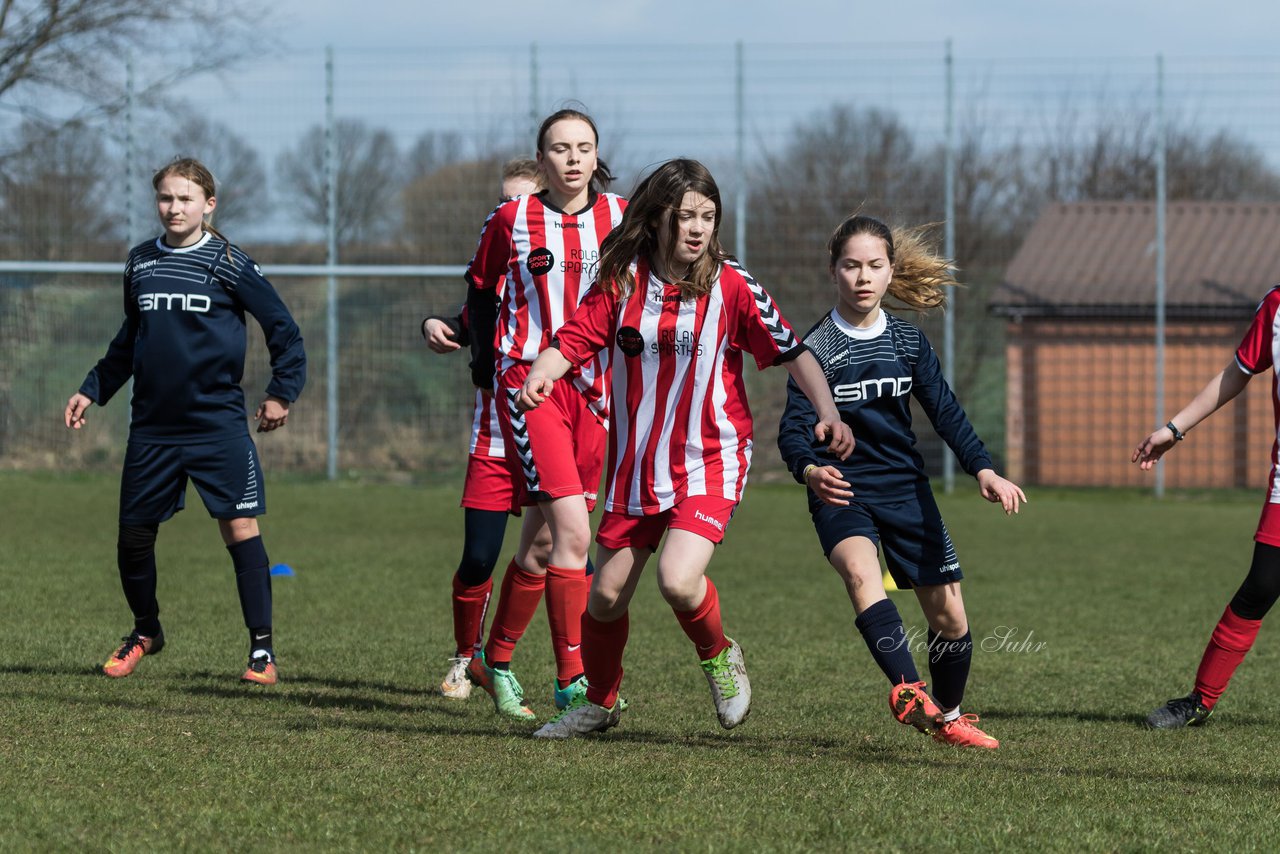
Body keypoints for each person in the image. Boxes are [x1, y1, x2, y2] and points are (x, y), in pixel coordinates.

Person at [519, 158, 854, 739]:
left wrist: (828, 412)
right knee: (602, 599)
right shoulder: (621, 283)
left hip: (711, 457)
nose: (698, 228)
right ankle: (599, 705)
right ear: (656, 220)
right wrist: (541, 374)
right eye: (685, 216)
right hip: (635, 471)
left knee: (676, 578)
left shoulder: (732, 284)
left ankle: (720, 656)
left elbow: (794, 353)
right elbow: (572, 341)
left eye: (708, 216)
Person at [777, 214, 1025, 749]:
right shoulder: (814, 351)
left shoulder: (909, 343)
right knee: (861, 574)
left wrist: (983, 468)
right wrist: (812, 470)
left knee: (950, 615)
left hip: (905, 490)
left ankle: (950, 717)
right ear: (833, 271)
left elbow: (947, 413)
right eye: (851, 266)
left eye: (874, 265)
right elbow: (792, 431)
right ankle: (907, 688)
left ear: (891, 271)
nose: (862, 277)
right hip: (842, 489)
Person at [65, 157, 306, 686]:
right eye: (166, 198)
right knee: (132, 538)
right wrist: (93, 388)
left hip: (217, 426)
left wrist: (281, 393)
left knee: (240, 529)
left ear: (208, 205)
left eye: (186, 199)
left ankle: (261, 653)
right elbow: (129, 343)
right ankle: (145, 631)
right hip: (152, 429)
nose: (174, 208)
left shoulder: (231, 263)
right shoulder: (140, 263)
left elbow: (284, 331)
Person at [462, 109, 627, 720]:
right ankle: (572, 679)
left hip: (594, 392)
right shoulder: (512, 219)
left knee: (538, 548)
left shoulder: (622, 217)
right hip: (529, 387)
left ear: (596, 154)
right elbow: (480, 290)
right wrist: (486, 365)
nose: (573, 159)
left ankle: (493, 661)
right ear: (543, 158)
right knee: (575, 536)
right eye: (560, 148)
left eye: (584, 147)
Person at [420, 158, 547, 701]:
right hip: (495, 439)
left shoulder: (574, 283)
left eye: (517, 201)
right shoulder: (492, 283)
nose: (506, 211)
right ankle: (463, 657)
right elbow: (463, 319)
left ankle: (506, 662)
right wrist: (433, 325)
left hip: (552, 435)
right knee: (478, 557)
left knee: (562, 554)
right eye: (502, 202)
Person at [1133, 285, 1280, 729]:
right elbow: (1237, 373)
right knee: (1260, 586)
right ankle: (1200, 701)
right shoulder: (1276, 305)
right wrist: (1173, 429)